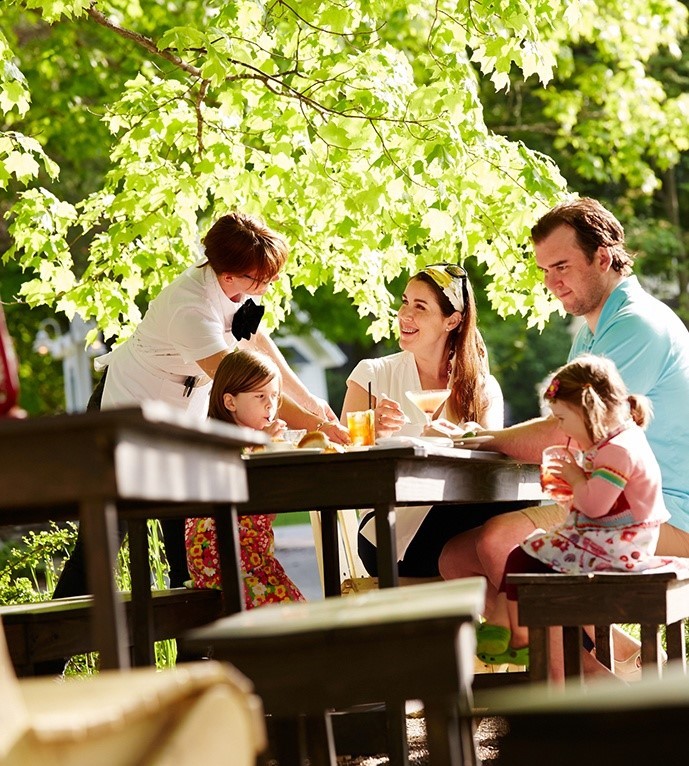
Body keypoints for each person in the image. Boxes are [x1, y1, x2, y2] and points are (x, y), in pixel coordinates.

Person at [438, 197, 689, 674]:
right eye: (544, 269)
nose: (553, 281)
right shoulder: (591, 332)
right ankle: (623, 663)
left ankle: (590, 696)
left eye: (562, 265)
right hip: (610, 499)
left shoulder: (637, 325)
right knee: (456, 558)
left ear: (604, 256)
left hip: (665, 510)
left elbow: (563, 434)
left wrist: (481, 437)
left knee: (500, 544)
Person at [54, 211, 348, 600]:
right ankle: (44, 656)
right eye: (261, 279)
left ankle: (194, 653)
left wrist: (314, 405)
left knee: (186, 552)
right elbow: (244, 383)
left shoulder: (234, 290)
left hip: (183, 421)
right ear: (228, 275)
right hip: (127, 415)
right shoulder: (189, 307)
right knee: (102, 545)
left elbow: (258, 345)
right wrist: (318, 426)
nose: (268, 284)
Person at [475, 354, 688, 668]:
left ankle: (515, 632)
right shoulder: (615, 443)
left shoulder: (618, 451)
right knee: (524, 554)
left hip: (619, 548)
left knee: (527, 554)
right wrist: (572, 488)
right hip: (611, 539)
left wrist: (575, 478)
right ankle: (511, 629)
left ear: (589, 410)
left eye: (562, 419)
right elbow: (595, 504)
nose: (562, 429)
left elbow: (594, 505)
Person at [341, 262, 525, 578]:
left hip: (460, 520)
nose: (404, 315)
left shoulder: (481, 388)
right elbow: (340, 457)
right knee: (513, 526)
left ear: (451, 320)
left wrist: (466, 436)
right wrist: (369, 433)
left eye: (420, 307)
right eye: (404, 302)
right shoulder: (373, 375)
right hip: (387, 533)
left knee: (509, 527)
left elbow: (495, 462)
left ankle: (521, 618)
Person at [185, 349, 305, 608]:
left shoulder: (240, 440)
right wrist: (266, 446)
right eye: (260, 396)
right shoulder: (224, 442)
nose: (270, 405)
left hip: (247, 560)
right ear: (230, 402)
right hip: (229, 562)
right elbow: (247, 488)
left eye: (274, 396)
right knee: (296, 613)